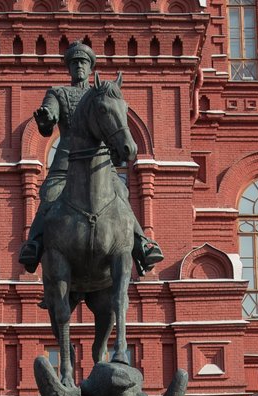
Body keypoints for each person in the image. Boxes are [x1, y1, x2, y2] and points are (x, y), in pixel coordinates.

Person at [18, 41, 163, 276]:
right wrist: (46, 117)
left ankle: (142, 244)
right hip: (66, 162)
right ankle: (33, 245)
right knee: (50, 196)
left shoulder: (100, 93)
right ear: (69, 68)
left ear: (90, 67)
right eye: (74, 63)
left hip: (100, 165)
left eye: (84, 63)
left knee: (121, 192)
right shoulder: (58, 93)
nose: (79, 67)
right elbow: (49, 122)